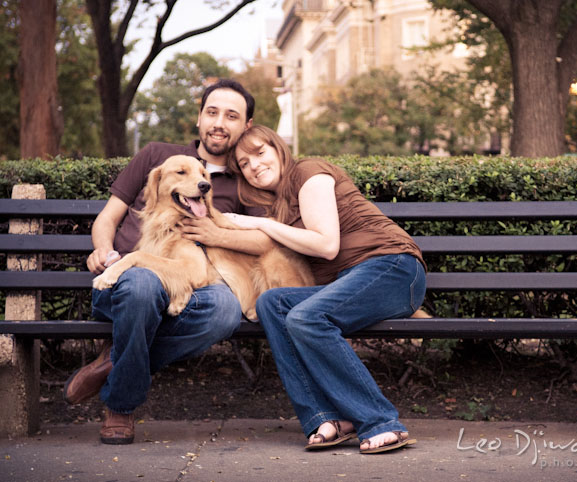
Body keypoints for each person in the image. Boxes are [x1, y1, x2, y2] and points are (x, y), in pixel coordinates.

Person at [63, 79, 272, 445]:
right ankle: (121, 406)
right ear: (199, 118)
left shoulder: (246, 179)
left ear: (246, 126)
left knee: (225, 309)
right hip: (123, 282)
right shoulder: (156, 156)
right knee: (142, 284)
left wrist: (214, 233)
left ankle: (114, 363)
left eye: (231, 116)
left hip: (191, 289)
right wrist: (101, 250)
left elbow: (263, 239)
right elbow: (107, 219)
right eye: (212, 112)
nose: (219, 123)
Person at [224, 125, 427, 454]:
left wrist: (260, 223)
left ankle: (380, 422)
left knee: (306, 317)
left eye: (260, 153)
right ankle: (326, 418)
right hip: (355, 280)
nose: (254, 166)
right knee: (272, 304)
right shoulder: (281, 208)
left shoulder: (308, 172)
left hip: (393, 267)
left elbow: (327, 245)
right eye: (244, 164)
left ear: (278, 149)